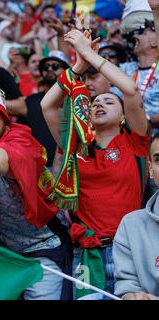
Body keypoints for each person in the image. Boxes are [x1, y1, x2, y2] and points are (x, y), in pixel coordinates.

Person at [41, 28, 149, 298]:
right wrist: (78, 66)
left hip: (131, 250)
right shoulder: (74, 145)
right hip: (87, 255)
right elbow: (48, 106)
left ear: (124, 118)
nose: (98, 104)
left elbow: (131, 90)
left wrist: (90, 54)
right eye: (94, 103)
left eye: (108, 102)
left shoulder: (135, 142)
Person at [0, 85, 71, 300]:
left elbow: (12, 153)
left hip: (44, 251)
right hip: (2, 256)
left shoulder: (21, 139)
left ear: (6, 123)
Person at [112, 133, 159, 300]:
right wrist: (132, 296)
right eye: (158, 160)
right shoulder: (130, 225)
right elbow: (126, 286)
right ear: (151, 169)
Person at [25, 51, 70, 169]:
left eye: (55, 66)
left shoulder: (73, 99)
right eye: (45, 67)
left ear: (66, 71)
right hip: (36, 167)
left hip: (66, 164)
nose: (49, 69)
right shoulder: (30, 101)